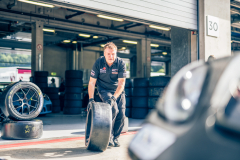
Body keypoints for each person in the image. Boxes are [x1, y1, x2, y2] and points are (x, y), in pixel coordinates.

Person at [88, 42, 126, 147]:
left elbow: (121, 83)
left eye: (113, 54)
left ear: (116, 53)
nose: (111, 56)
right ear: (104, 54)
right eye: (108, 54)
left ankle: (115, 138)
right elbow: (92, 82)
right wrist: (91, 99)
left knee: (121, 114)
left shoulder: (121, 63)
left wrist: (114, 97)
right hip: (104, 90)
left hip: (118, 91)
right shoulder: (98, 63)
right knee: (113, 109)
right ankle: (108, 136)